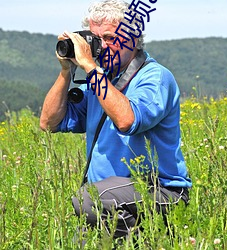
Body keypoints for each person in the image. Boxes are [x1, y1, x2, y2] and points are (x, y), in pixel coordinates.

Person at [40, 0, 192, 244]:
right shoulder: (100, 81)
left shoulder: (154, 77)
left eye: (110, 38)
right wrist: (66, 70)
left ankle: (146, 241)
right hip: (110, 199)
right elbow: (49, 123)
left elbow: (127, 120)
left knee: (88, 200)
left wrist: (90, 67)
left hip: (160, 192)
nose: (101, 47)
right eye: (95, 38)